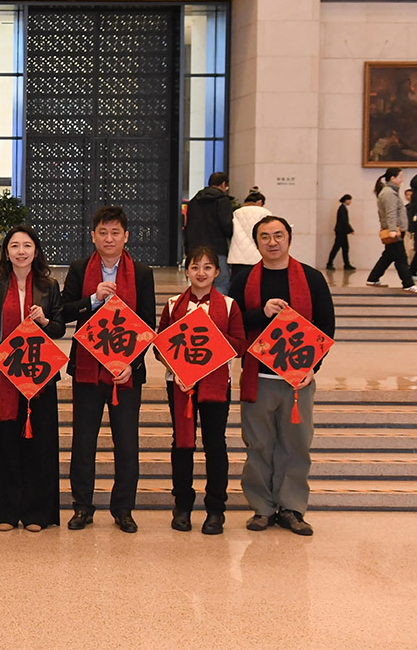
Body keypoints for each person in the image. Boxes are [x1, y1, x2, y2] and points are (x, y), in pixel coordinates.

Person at [232, 216, 335, 536]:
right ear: (256, 242)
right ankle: (262, 508)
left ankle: (292, 508)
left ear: (289, 238)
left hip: (297, 381)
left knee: (296, 445)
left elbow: (326, 326)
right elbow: (233, 324)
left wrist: (313, 367)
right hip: (258, 377)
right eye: (265, 237)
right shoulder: (244, 279)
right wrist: (261, 313)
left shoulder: (312, 278)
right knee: (258, 445)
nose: (272, 242)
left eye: (278, 235)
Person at [59, 205, 157, 534]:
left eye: (115, 232)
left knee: (126, 444)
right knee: (83, 442)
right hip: (87, 370)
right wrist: (92, 299)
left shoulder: (141, 273)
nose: (109, 238)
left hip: (126, 372)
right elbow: (64, 311)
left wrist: (132, 363)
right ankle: (82, 507)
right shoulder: (79, 269)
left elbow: (147, 324)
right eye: (103, 232)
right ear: (93, 236)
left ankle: (123, 509)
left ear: (126, 236)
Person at [0, 225, 66, 532]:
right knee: (3, 444)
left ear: (35, 251)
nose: (21, 251)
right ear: (7, 252)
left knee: (39, 445)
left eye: (27, 245)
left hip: (40, 376)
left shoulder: (49, 286)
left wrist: (44, 320)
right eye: (15, 246)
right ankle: (3, 510)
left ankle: (37, 512)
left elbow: (59, 329)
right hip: (3, 374)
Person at [155, 246, 245, 535]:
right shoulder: (173, 305)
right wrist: (178, 369)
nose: (201, 273)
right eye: (195, 267)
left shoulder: (229, 306)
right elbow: (159, 346)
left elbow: (240, 345)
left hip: (216, 383)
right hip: (179, 383)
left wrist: (210, 336)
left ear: (217, 272)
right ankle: (182, 506)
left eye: (207, 267)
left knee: (215, 444)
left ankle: (215, 510)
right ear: (187, 271)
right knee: (182, 443)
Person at [366, 168, 417, 291]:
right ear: (393, 178)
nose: (402, 180)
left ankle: (373, 278)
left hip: (395, 229)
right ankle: (408, 284)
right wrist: (392, 230)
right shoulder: (389, 193)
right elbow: (391, 213)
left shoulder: (390, 192)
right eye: (400, 177)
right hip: (394, 230)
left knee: (388, 256)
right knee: (401, 258)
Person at [184, 171, 234, 293]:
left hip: (195, 248)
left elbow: (188, 225)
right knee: (221, 282)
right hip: (217, 247)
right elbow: (226, 225)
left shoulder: (194, 201)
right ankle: (216, 306)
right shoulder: (222, 200)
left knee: (198, 282)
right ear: (223, 184)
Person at [227, 188, 267, 271]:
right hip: (256, 256)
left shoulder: (236, 212)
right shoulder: (264, 212)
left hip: (237, 257)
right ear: (260, 202)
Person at [326, 194, 355, 271]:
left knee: (345, 248)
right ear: (346, 200)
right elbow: (344, 221)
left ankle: (346, 264)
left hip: (342, 232)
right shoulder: (342, 208)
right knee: (336, 248)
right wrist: (350, 230)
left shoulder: (342, 208)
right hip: (341, 232)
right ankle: (330, 264)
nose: (350, 202)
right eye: (349, 200)